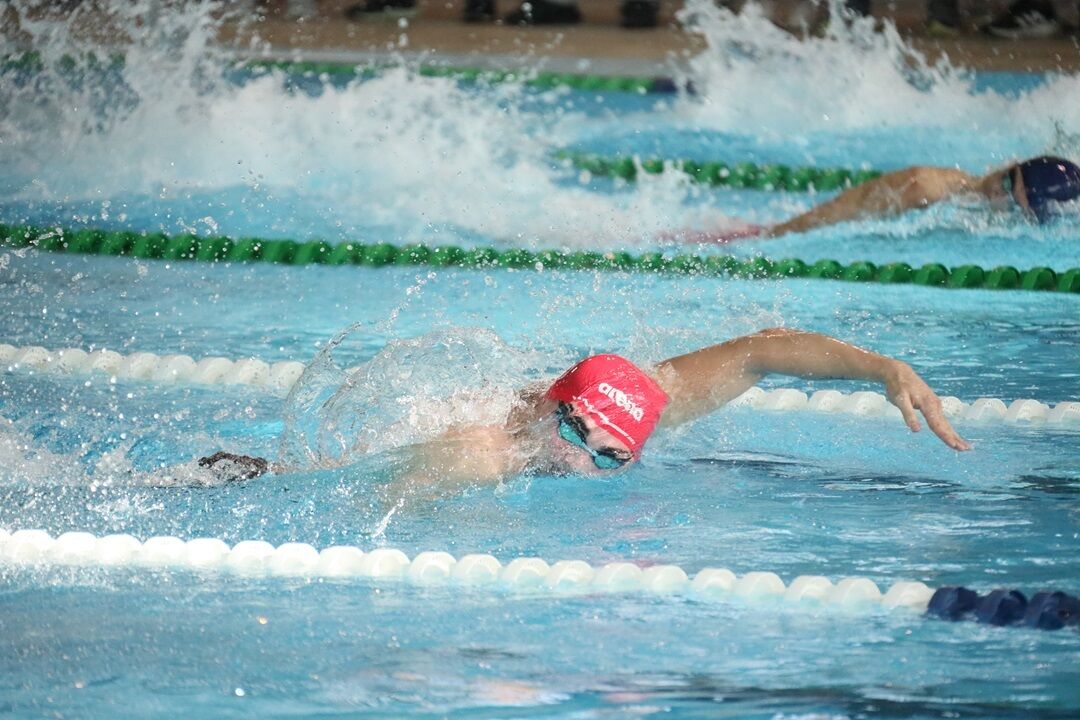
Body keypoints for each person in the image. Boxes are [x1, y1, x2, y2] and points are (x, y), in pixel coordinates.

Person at [199, 328, 971, 491]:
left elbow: (760, 352)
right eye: (572, 430)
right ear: (543, 402)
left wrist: (883, 368)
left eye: (609, 456)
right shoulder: (480, 454)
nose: (579, 456)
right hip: (278, 476)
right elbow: (360, 498)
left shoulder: (638, 408)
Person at [684, 156, 1080, 243]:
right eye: (1009, 183)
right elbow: (841, 212)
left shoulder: (965, 196)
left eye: (1017, 202)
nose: (1002, 195)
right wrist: (777, 234)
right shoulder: (924, 188)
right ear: (1010, 167)